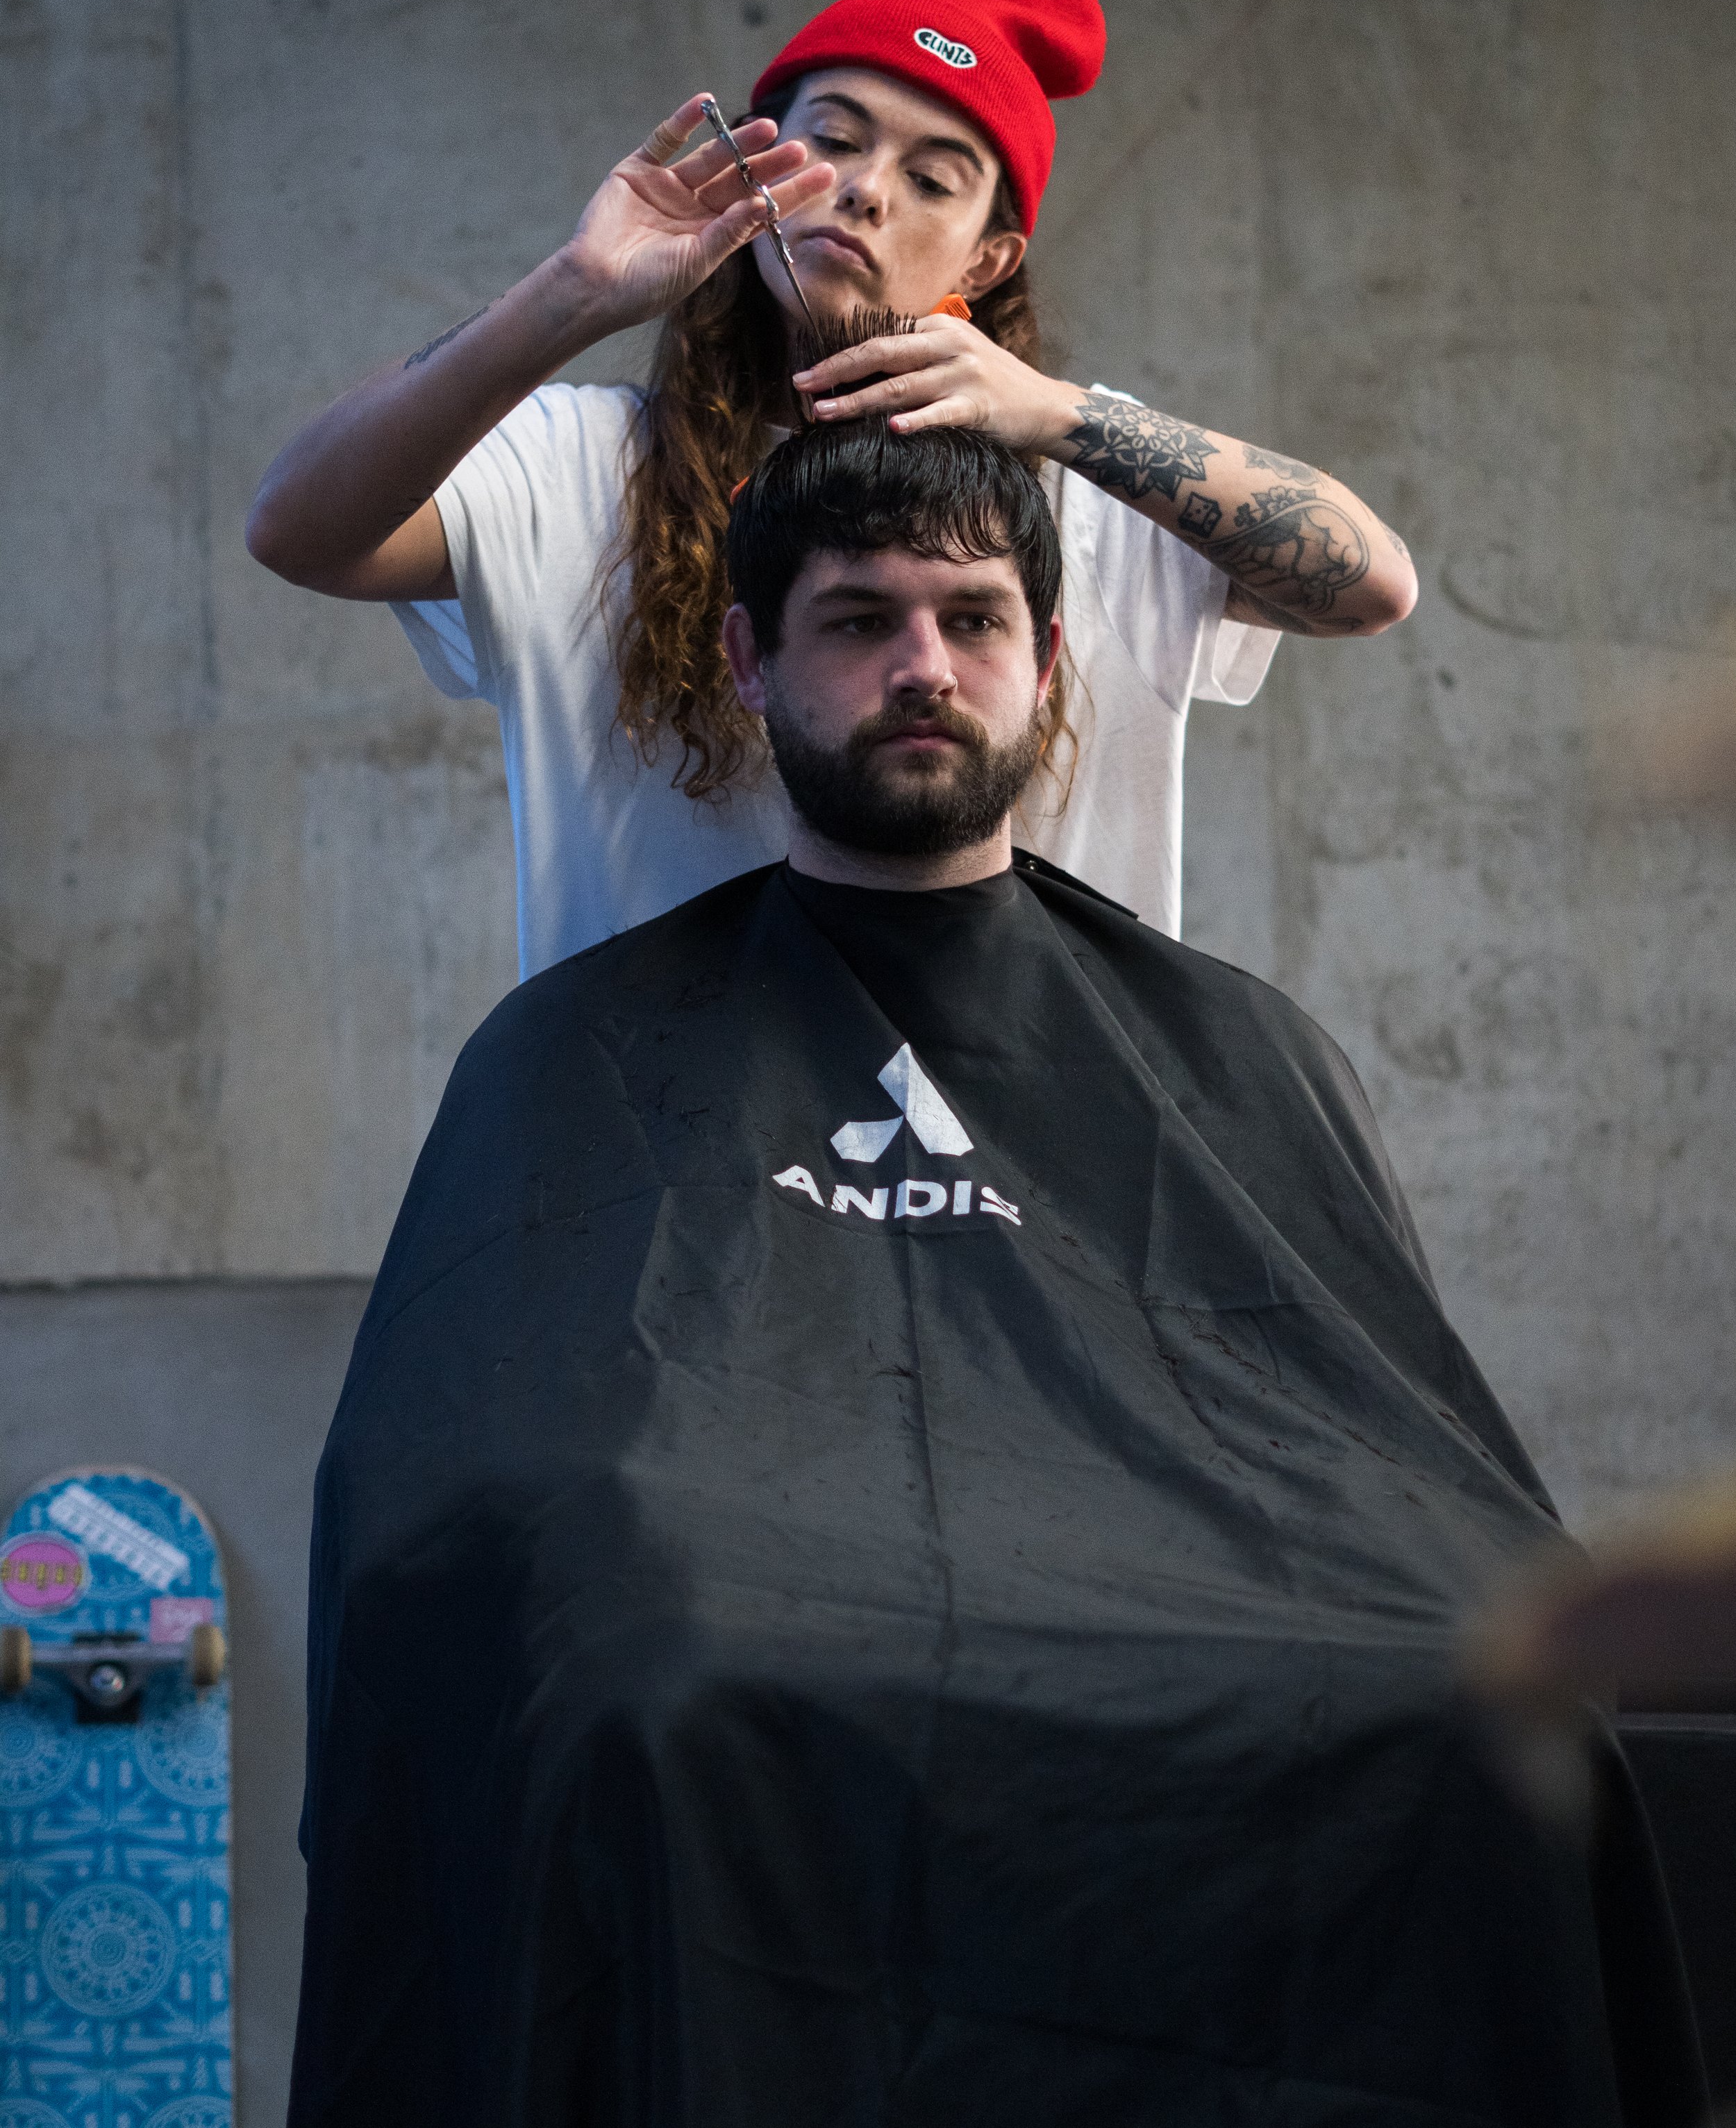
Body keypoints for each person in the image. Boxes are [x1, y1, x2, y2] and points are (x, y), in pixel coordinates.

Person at [290, 421, 1701, 2128]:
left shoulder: (1233, 1045)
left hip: (1198, 1589)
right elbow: (462, 1477)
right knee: (639, 1699)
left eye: (970, 620)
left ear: (1046, 659)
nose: (921, 667)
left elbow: (1389, 1454)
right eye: (855, 620)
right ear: (746, 658)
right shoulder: (581, 1045)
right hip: (751, 1612)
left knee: (1467, 1716)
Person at [247, 0, 1416, 977]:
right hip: (662, 1126)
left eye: (932, 179)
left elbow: (1371, 583)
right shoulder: (586, 466)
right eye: (835, 140)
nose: (864, 191)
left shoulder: (1090, 488)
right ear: (758, 169)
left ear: (989, 259)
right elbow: (297, 529)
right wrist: (575, 291)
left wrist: (1065, 417)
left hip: (1031, 1127)